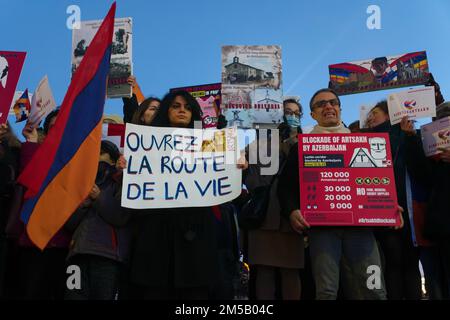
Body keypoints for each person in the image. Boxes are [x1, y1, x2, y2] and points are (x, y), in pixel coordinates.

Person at [278, 88, 402, 300]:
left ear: (339, 108)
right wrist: (291, 211)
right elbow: (285, 186)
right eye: (321, 104)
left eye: (333, 102)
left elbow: (381, 181)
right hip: (322, 231)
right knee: (326, 291)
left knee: (374, 290)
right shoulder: (302, 147)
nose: (328, 106)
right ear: (313, 115)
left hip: (361, 230)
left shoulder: (364, 143)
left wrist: (390, 207)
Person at [128, 90, 246, 299]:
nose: (183, 110)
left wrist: (238, 168)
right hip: (157, 237)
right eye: (176, 106)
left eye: (188, 107)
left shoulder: (210, 143)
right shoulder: (145, 144)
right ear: (166, 110)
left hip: (197, 237)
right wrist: (126, 167)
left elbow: (227, 189)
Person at [243, 98, 304, 300]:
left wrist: (293, 143)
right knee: (264, 273)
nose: (292, 116)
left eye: (296, 113)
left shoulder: (307, 143)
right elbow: (246, 177)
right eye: (288, 111)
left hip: (293, 216)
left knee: (291, 271)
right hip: (264, 217)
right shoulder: (257, 145)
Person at [365, 101, 422, 300]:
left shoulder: (406, 136)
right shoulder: (364, 141)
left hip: (408, 211)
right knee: (392, 263)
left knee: (411, 264)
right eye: (369, 114)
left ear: (389, 115)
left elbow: (419, 170)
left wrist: (411, 137)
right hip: (381, 211)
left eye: (375, 113)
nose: (370, 117)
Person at [64, 140, 131, 300]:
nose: (94, 157)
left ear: (114, 160)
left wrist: (98, 197)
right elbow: (68, 223)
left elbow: (121, 216)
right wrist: (86, 200)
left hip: (107, 258)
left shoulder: (123, 182)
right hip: (77, 255)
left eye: (100, 153)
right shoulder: (80, 183)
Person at [402, 101, 450, 299]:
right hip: (444, 226)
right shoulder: (436, 156)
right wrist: (411, 137)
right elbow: (423, 175)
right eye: (439, 120)